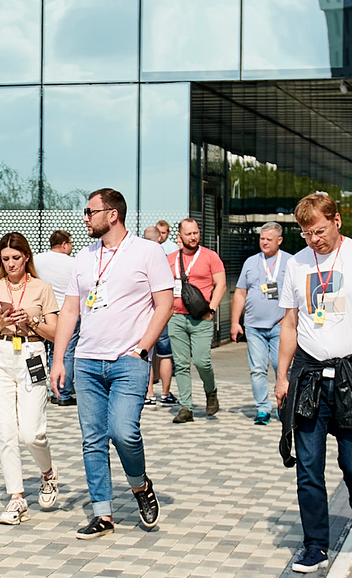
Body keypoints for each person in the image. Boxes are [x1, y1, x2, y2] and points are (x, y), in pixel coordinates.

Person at [273, 192, 352, 571]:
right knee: (308, 466)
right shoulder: (296, 265)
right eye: (307, 233)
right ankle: (315, 545)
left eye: (320, 230)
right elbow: (290, 324)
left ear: (337, 221)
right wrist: (281, 377)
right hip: (309, 377)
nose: (314, 239)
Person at [50, 188, 175, 536]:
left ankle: (140, 486)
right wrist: (60, 359)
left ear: (112, 214)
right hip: (88, 361)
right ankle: (102, 514)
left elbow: (164, 304)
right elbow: (70, 309)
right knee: (93, 439)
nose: (85, 218)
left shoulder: (148, 252)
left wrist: (143, 348)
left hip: (129, 359)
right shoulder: (84, 257)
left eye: (90, 212)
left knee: (124, 432)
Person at [0, 232, 59, 523]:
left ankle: (48, 473)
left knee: (31, 433)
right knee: (5, 433)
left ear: (26, 257)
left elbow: (55, 332)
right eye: (5, 259)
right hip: (0, 357)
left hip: (32, 354)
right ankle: (17, 498)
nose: (11, 264)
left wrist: (32, 321)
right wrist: (0, 323)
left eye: (15, 258)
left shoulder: (42, 288)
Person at [230, 221, 293, 425]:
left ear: (279, 240)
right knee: (257, 368)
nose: (264, 242)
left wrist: (291, 319)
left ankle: (284, 406)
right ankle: (263, 409)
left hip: (280, 326)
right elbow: (240, 292)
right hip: (254, 326)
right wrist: (235, 322)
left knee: (281, 367)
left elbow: (299, 295)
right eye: (261, 238)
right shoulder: (250, 262)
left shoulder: (291, 263)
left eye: (268, 239)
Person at [166, 217, 227, 422]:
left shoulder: (210, 256)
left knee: (202, 361)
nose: (193, 237)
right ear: (180, 236)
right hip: (176, 317)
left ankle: (211, 391)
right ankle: (186, 407)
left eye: (196, 233)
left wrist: (212, 307)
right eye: (189, 233)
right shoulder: (171, 258)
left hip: (201, 318)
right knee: (181, 364)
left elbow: (221, 284)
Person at [36, 231, 79, 406]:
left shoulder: (38, 260)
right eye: (70, 244)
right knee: (66, 351)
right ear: (64, 244)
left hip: (46, 312)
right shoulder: (74, 263)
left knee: (45, 350)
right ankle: (63, 392)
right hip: (68, 311)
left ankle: (47, 387)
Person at [143, 218, 177, 407]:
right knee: (165, 354)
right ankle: (165, 394)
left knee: (145, 352)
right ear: (159, 239)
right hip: (161, 311)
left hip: (143, 313)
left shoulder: (137, 256)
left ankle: (148, 394)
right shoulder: (166, 258)